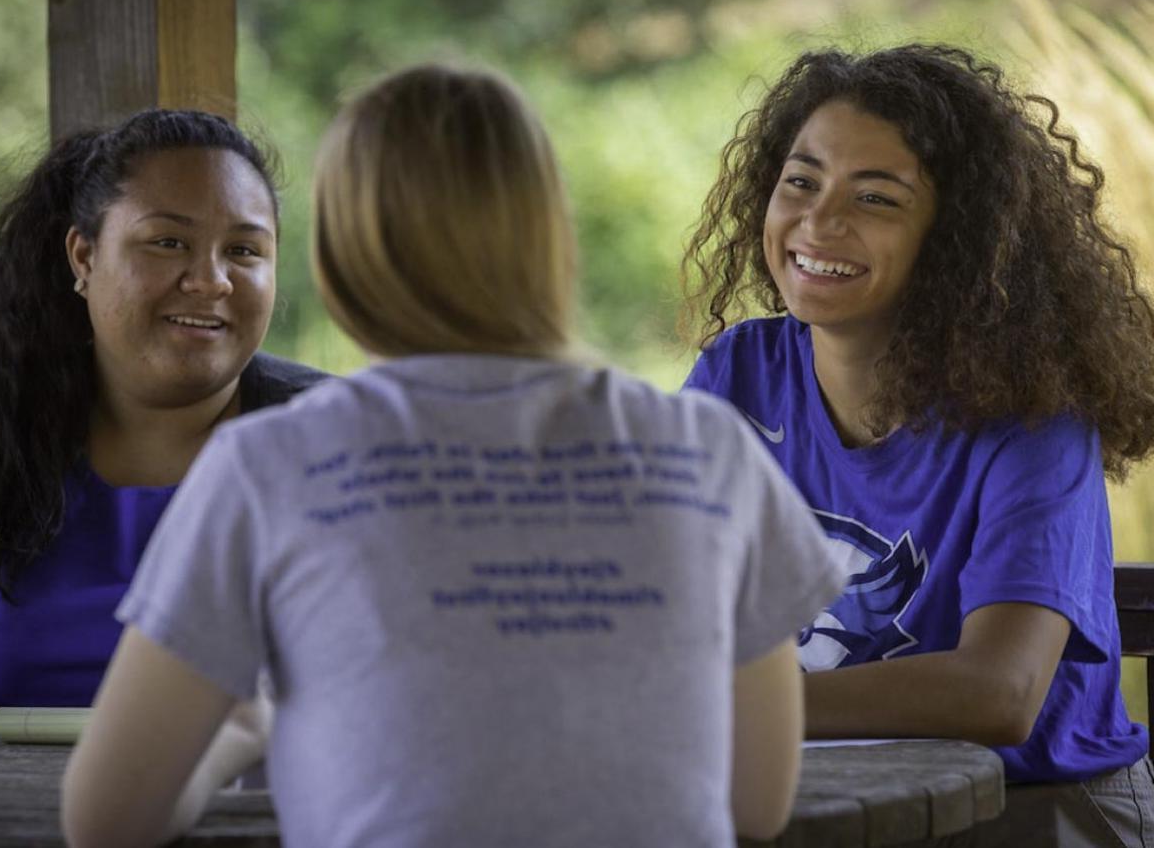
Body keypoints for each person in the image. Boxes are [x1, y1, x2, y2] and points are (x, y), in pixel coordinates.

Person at [60, 64, 846, 847]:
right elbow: (756, 805)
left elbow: (107, 819)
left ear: (342, 246)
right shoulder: (710, 452)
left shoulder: (271, 464)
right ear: (548, 229)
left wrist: (241, 731)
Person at [682, 43, 1154, 846]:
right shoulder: (741, 375)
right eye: (801, 181)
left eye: (876, 198)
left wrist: (717, 701)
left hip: (1034, 807)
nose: (819, 221)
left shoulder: (1030, 419)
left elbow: (998, 694)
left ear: (956, 240)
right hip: (824, 789)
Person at [0, 108, 327, 717]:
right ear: (84, 257)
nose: (211, 280)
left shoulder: (338, 440)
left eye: (245, 251)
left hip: (256, 811)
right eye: (168, 242)